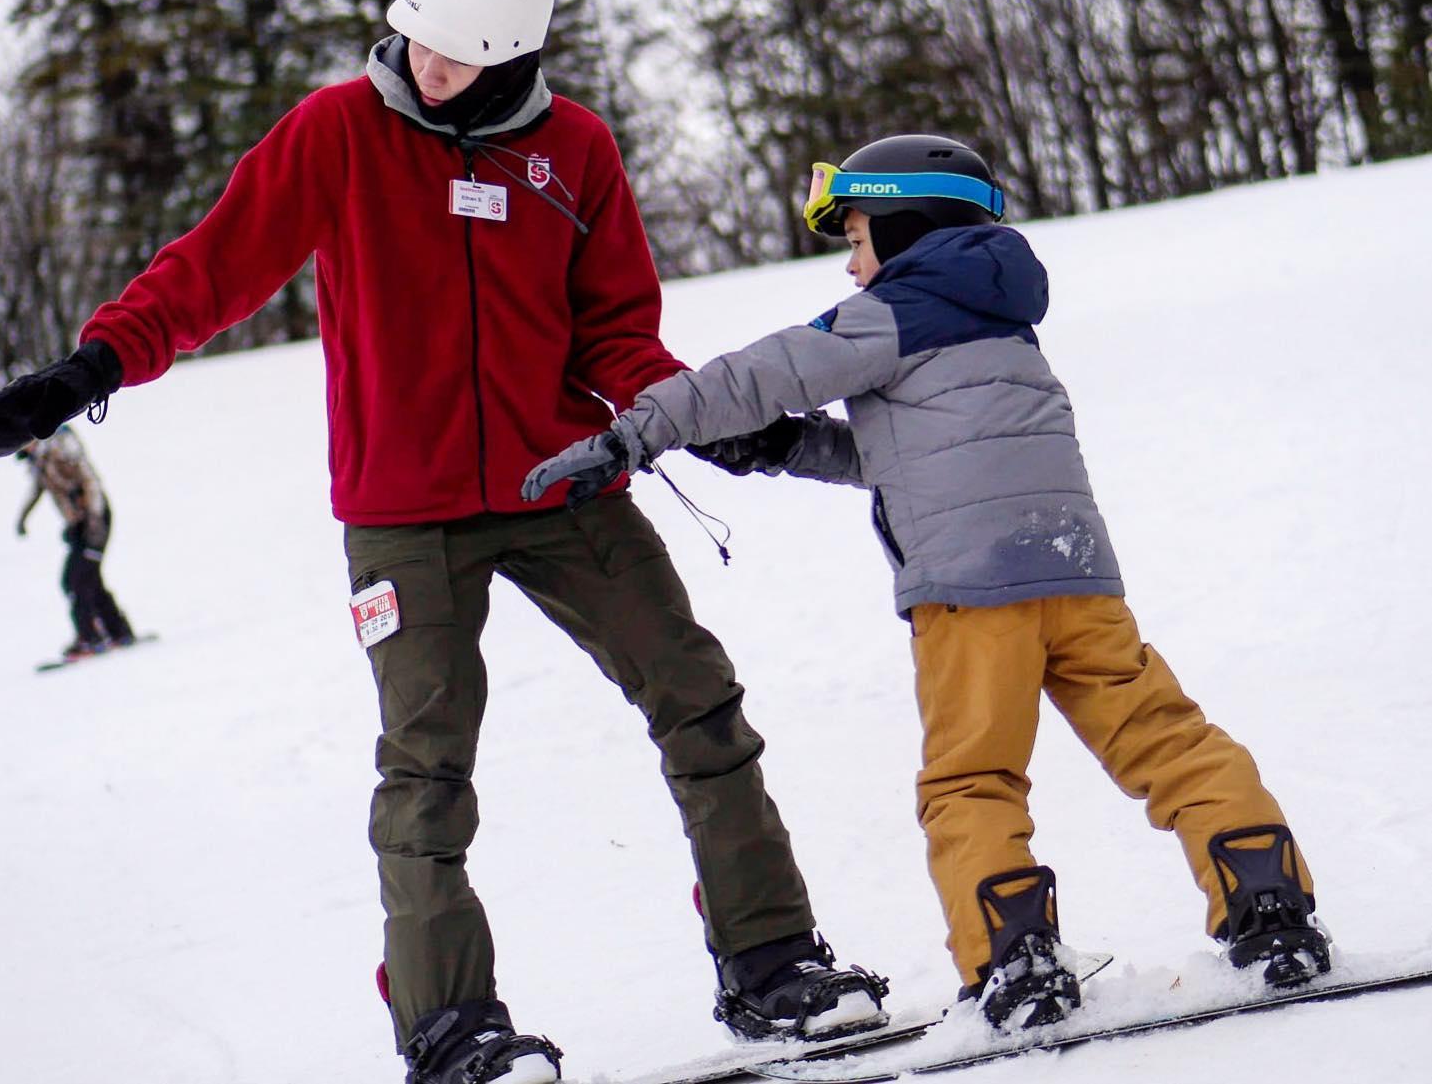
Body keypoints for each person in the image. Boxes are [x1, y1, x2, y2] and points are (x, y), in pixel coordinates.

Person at [0, 0, 888, 1084]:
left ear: (514, 55)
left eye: (458, 61)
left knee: (697, 697)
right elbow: (212, 267)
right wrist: (89, 369)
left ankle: (772, 963)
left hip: (566, 479)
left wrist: (695, 418)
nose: (427, 70)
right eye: (417, 42)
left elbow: (616, 330)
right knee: (427, 769)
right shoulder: (337, 133)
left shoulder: (574, 150)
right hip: (402, 512)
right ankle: (450, 1025)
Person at [523, 132, 1333, 1033]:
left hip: (969, 593)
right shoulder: (1003, 317)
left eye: (859, 236)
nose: (852, 263)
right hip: (1075, 574)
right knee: (1166, 740)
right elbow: (914, 451)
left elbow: (758, 373)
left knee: (972, 777)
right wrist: (786, 447)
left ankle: (1012, 961)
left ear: (909, 225)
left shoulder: (887, 314)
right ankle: (1270, 909)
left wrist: (637, 432)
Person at [15, 423, 138, 659]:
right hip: (79, 524)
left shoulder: (59, 448)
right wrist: (23, 518)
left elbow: (90, 482)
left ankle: (90, 637)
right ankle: (118, 631)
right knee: (88, 578)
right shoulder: (40, 459)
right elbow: (38, 488)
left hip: (95, 519)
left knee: (75, 579)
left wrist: (93, 521)